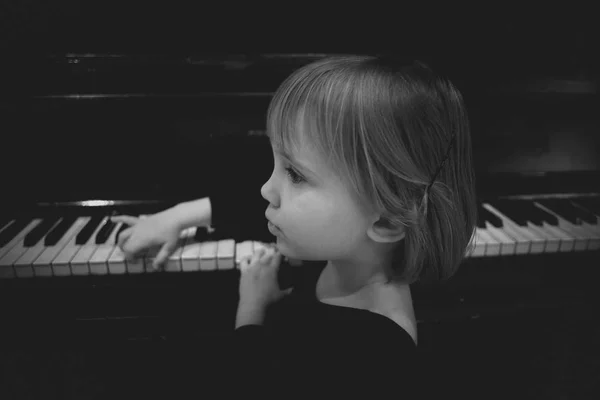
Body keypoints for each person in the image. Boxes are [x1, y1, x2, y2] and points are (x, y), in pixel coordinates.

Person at [111, 54, 478, 398]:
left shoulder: (373, 358)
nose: (266, 189)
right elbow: (258, 205)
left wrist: (252, 310)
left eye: (295, 174)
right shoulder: (349, 249)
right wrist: (176, 216)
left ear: (384, 220)